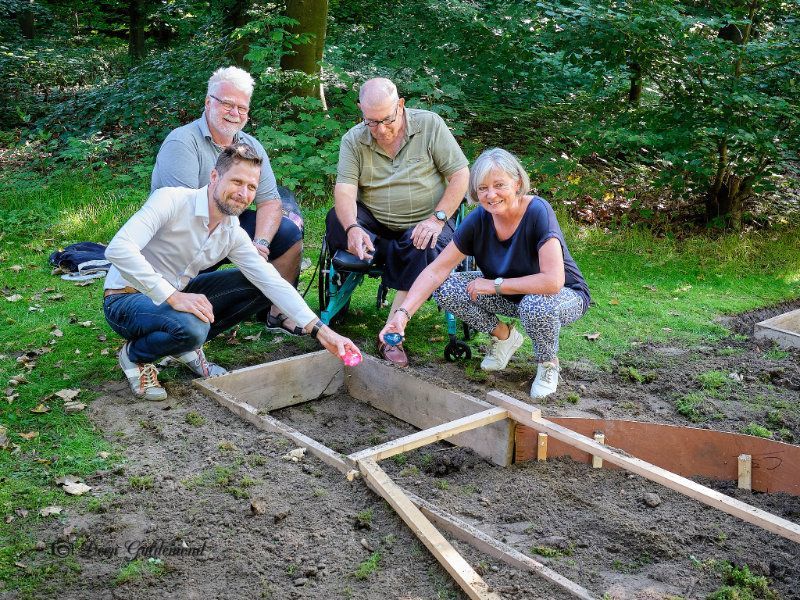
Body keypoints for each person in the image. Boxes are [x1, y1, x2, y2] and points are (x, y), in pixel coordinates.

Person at [105, 143, 360, 401]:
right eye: (237, 182)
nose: (243, 193)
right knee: (193, 326)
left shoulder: (231, 232)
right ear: (214, 177)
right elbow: (118, 249)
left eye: (251, 187)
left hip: (177, 296)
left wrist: (322, 332)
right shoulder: (171, 200)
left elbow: (272, 282)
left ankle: (185, 346)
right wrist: (173, 296)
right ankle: (135, 356)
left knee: (261, 286)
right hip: (125, 298)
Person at [379, 148, 590, 398]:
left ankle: (548, 364)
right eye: (482, 188)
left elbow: (553, 281)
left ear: (518, 182)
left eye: (499, 185)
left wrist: (496, 285)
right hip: (512, 295)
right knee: (448, 288)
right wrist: (402, 316)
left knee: (536, 305)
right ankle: (505, 338)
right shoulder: (480, 218)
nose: (491, 195)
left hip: (562, 295)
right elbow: (436, 271)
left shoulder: (538, 212)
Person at [151, 66, 305, 335]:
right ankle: (182, 314)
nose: (235, 114)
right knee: (185, 304)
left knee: (289, 234)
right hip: (183, 233)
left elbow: (270, 201)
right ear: (208, 102)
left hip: (229, 221)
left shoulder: (251, 146)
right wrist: (232, 242)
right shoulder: (182, 143)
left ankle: (278, 312)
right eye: (227, 104)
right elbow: (182, 212)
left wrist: (259, 244)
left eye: (242, 108)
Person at [327, 77, 470, 367]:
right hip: (376, 221)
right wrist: (353, 228)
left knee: (426, 244)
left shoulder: (429, 125)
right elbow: (344, 191)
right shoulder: (353, 139)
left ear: (401, 105)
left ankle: (393, 333)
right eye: (371, 122)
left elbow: (460, 175)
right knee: (336, 220)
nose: (380, 129)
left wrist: (438, 218)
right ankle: (377, 258)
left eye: (387, 119)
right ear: (361, 111)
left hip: (424, 220)